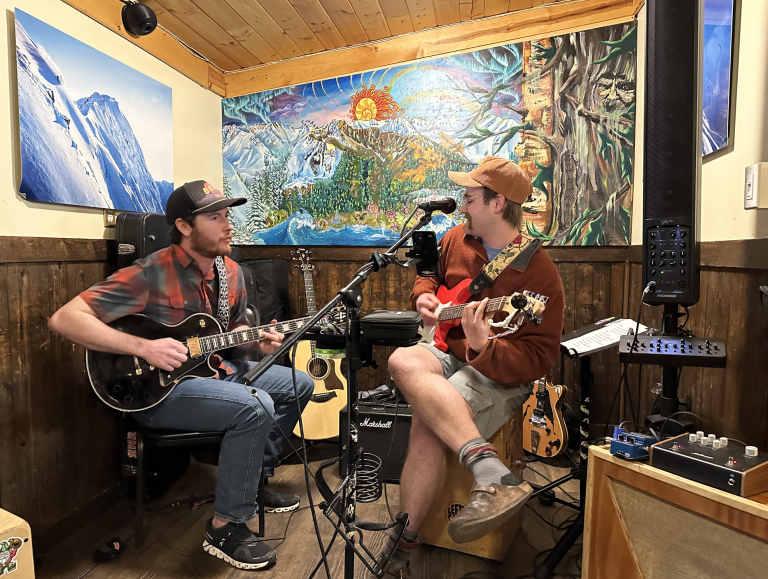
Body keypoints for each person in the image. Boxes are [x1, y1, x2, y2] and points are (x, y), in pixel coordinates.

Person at [48, 180, 314, 572]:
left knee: (298, 384)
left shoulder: (232, 272)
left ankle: (253, 482)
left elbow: (233, 334)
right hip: (158, 392)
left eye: (227, 215)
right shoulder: (151, 273)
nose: (228, 225)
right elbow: (65, 319)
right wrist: (143, 347)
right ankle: (225, 527)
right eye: (215, 217)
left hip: (215, 374)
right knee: (255, 406)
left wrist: (256, 343)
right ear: (185, 227)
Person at [384, 157, 565, 576]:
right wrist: (423, 295)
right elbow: (430, 274)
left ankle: (403, 542)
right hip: (447, 350)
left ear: (497, 203)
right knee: (400, 359)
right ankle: (489, 469)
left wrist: (485, 348)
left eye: (469, 198)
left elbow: (539, 359)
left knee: (428, 423)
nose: (462, 206)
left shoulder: (540, 275)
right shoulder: (456, 238)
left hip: (499, 374)